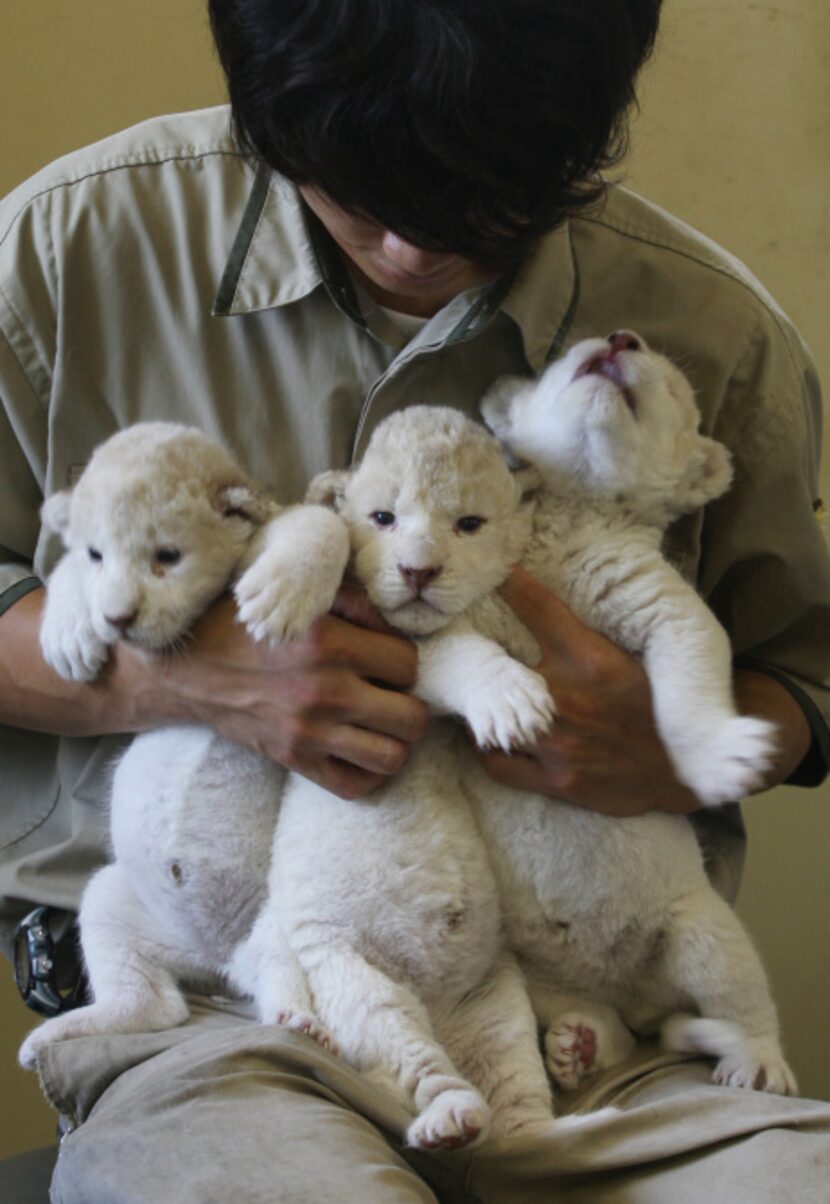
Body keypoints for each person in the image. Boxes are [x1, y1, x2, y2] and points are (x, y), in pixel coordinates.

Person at [1, 0, 828, 1199]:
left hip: (605, 1033)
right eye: (353, 190)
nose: (402, 246)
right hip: (216, 1018)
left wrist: (667, 745)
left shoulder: (706, 328)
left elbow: (806, 677)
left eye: (478, 206)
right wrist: (184, 676)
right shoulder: (62, 253)